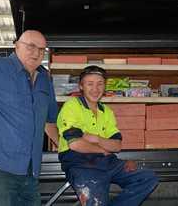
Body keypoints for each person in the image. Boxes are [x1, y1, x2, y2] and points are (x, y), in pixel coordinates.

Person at [0, 30, 59, 206]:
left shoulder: (45, 79)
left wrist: (71, 150)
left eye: (42, 49)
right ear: (16, 45)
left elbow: (50, 121)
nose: (36, 53)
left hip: (30, 172)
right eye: (31, 46)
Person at [57, 65, 159, 206]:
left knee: (147, 178)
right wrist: (103, 149)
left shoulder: (106, 111)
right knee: (96, 201)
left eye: (100, 84)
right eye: (90, 84)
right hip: (81, 165)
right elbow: (76, 144)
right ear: (81, 86)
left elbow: (117, 145)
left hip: (107, 162)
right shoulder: (72, 106)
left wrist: (96, 138)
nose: (95, 89)